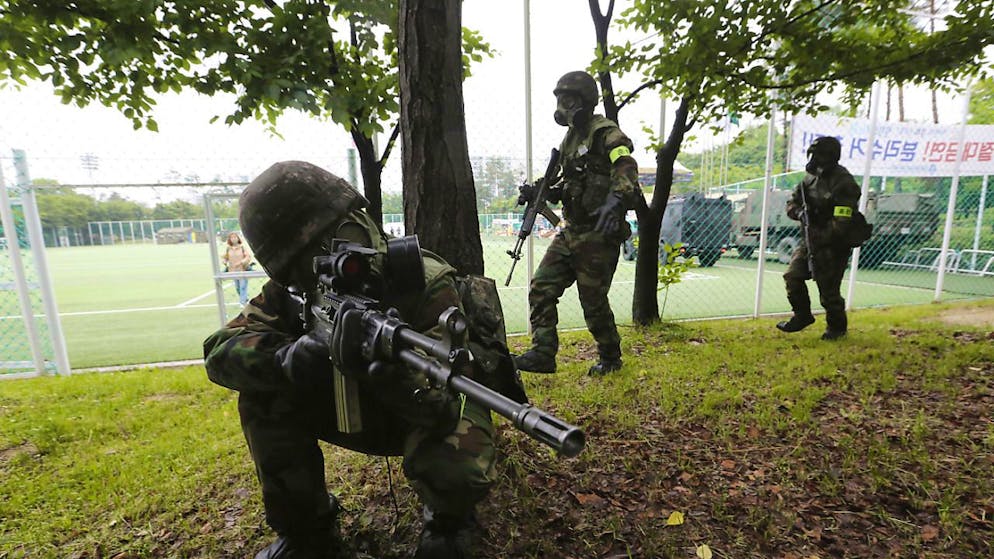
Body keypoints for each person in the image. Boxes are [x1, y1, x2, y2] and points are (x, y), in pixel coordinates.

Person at [203, 161, 511, 559]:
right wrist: (288, 359)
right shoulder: (294, 294)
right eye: (312, 253)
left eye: (342, 232)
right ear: (291, 270)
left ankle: (447, 522)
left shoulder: (426, 281)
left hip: (417, 409)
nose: (337, 254)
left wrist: (394, 380)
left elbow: (445, 400)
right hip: (359, 410)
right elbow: (219, 350)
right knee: (262, 396)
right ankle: (306, 530)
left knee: (456, 451)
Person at [513, 70, 639, 376]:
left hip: (599, 233)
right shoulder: (569, 139)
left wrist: (615, 200)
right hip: (571, 231)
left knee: (592, 301)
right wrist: (541, 192)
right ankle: (543, 353)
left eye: (568, 100)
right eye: (560, 100)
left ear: (585, 101)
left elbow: (625, 163)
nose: (563, 107)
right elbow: (570, 185)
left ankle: (610, 357)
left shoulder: (603, 131)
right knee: (542, 286)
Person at [776, 136, 862, 340]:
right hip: (810, 238)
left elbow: (843, 219)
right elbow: (793, 203)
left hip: (834, 244)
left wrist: (823, 237)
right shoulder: (809, 179)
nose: (814, 159)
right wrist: (798, 213)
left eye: (819, 155)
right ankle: (802, 316)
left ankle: (836, 328)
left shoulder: (844, 182)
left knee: (828, 291)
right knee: (793, 276)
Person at [222, 231, 253, 305]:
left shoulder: (242, 247)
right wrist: (224, 262)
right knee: (238, 288)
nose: (233, 239)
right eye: (232, 237)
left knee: (243, 287)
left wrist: (241, 262)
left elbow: (248, 257)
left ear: (238, 238)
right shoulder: (228, 249)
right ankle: (244, 299)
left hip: (242, 270)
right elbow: (225, 258)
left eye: (235, 237)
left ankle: (242, 303)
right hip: (233, 271)